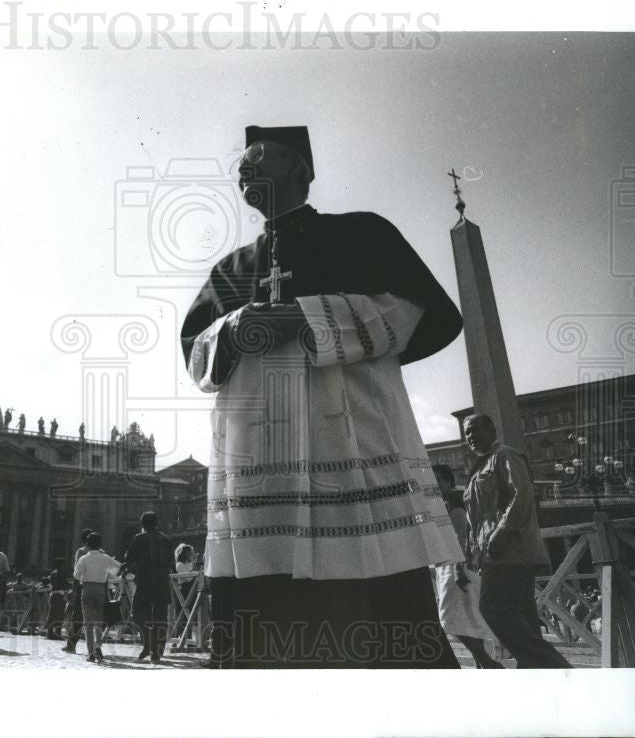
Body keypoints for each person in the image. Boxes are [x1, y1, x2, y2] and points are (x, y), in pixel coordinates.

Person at [180, 125, 464, 668]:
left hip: (349, 456)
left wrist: (305, 314)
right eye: (238, 163)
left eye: (256, 158)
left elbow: (421, 312)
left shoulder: (363, 234)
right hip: (259, 473)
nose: (242, 169)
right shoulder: (228, 271)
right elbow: (195, 350)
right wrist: (233, 328)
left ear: (299, 169)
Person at [463, 413, 572, 668]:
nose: (470, 436)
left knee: (493, 607)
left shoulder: (505, 456)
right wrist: (471, 553)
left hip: (507, 548)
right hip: (493, 551)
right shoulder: (480, 466)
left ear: (492, 430)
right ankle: (537, 674)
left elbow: (522, 495)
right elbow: (475, 520)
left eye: (475, 430)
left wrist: (502, 531)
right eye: (467, 433)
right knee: (523, 617)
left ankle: (556, 667)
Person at [431, 464, 503, 669]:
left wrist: (458, 566)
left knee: (449, 618)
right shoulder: (447, 500)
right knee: (468, 617)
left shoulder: (453, 498)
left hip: (455, 563)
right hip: (456, 562)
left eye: (439, 480)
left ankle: (487, 662)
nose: (435, 484)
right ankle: (482, 663)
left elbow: (461, 531)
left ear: (448, 480)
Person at [121, 511, 175, 662]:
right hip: (163, 581)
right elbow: (172, 561)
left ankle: (149, 641)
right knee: (161, 616)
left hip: (145, 580)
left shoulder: (139, 539)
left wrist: (133, 569)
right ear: (156, 523)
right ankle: (157, 651)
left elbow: (129, 559)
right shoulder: (166, 539)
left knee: (137, 612)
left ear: (143, 524)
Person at [73, 532, 122, 662]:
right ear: (100, 544)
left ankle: (90, 652)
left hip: (87, 588)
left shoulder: (84, 558)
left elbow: (76, 576)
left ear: (87, 545)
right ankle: (98, 646)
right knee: (98, 619)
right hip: (101, 589)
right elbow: (116, 570)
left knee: (88, 621)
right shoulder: (105, 557)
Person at [62, 529, 95, 654]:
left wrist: (75, 589)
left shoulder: (81, 551)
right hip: (98, 587)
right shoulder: (102, 553)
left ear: (84, 541)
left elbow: (77, 572)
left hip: (83, 586)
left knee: (78, 616)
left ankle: (71, 645)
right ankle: (95, 648)